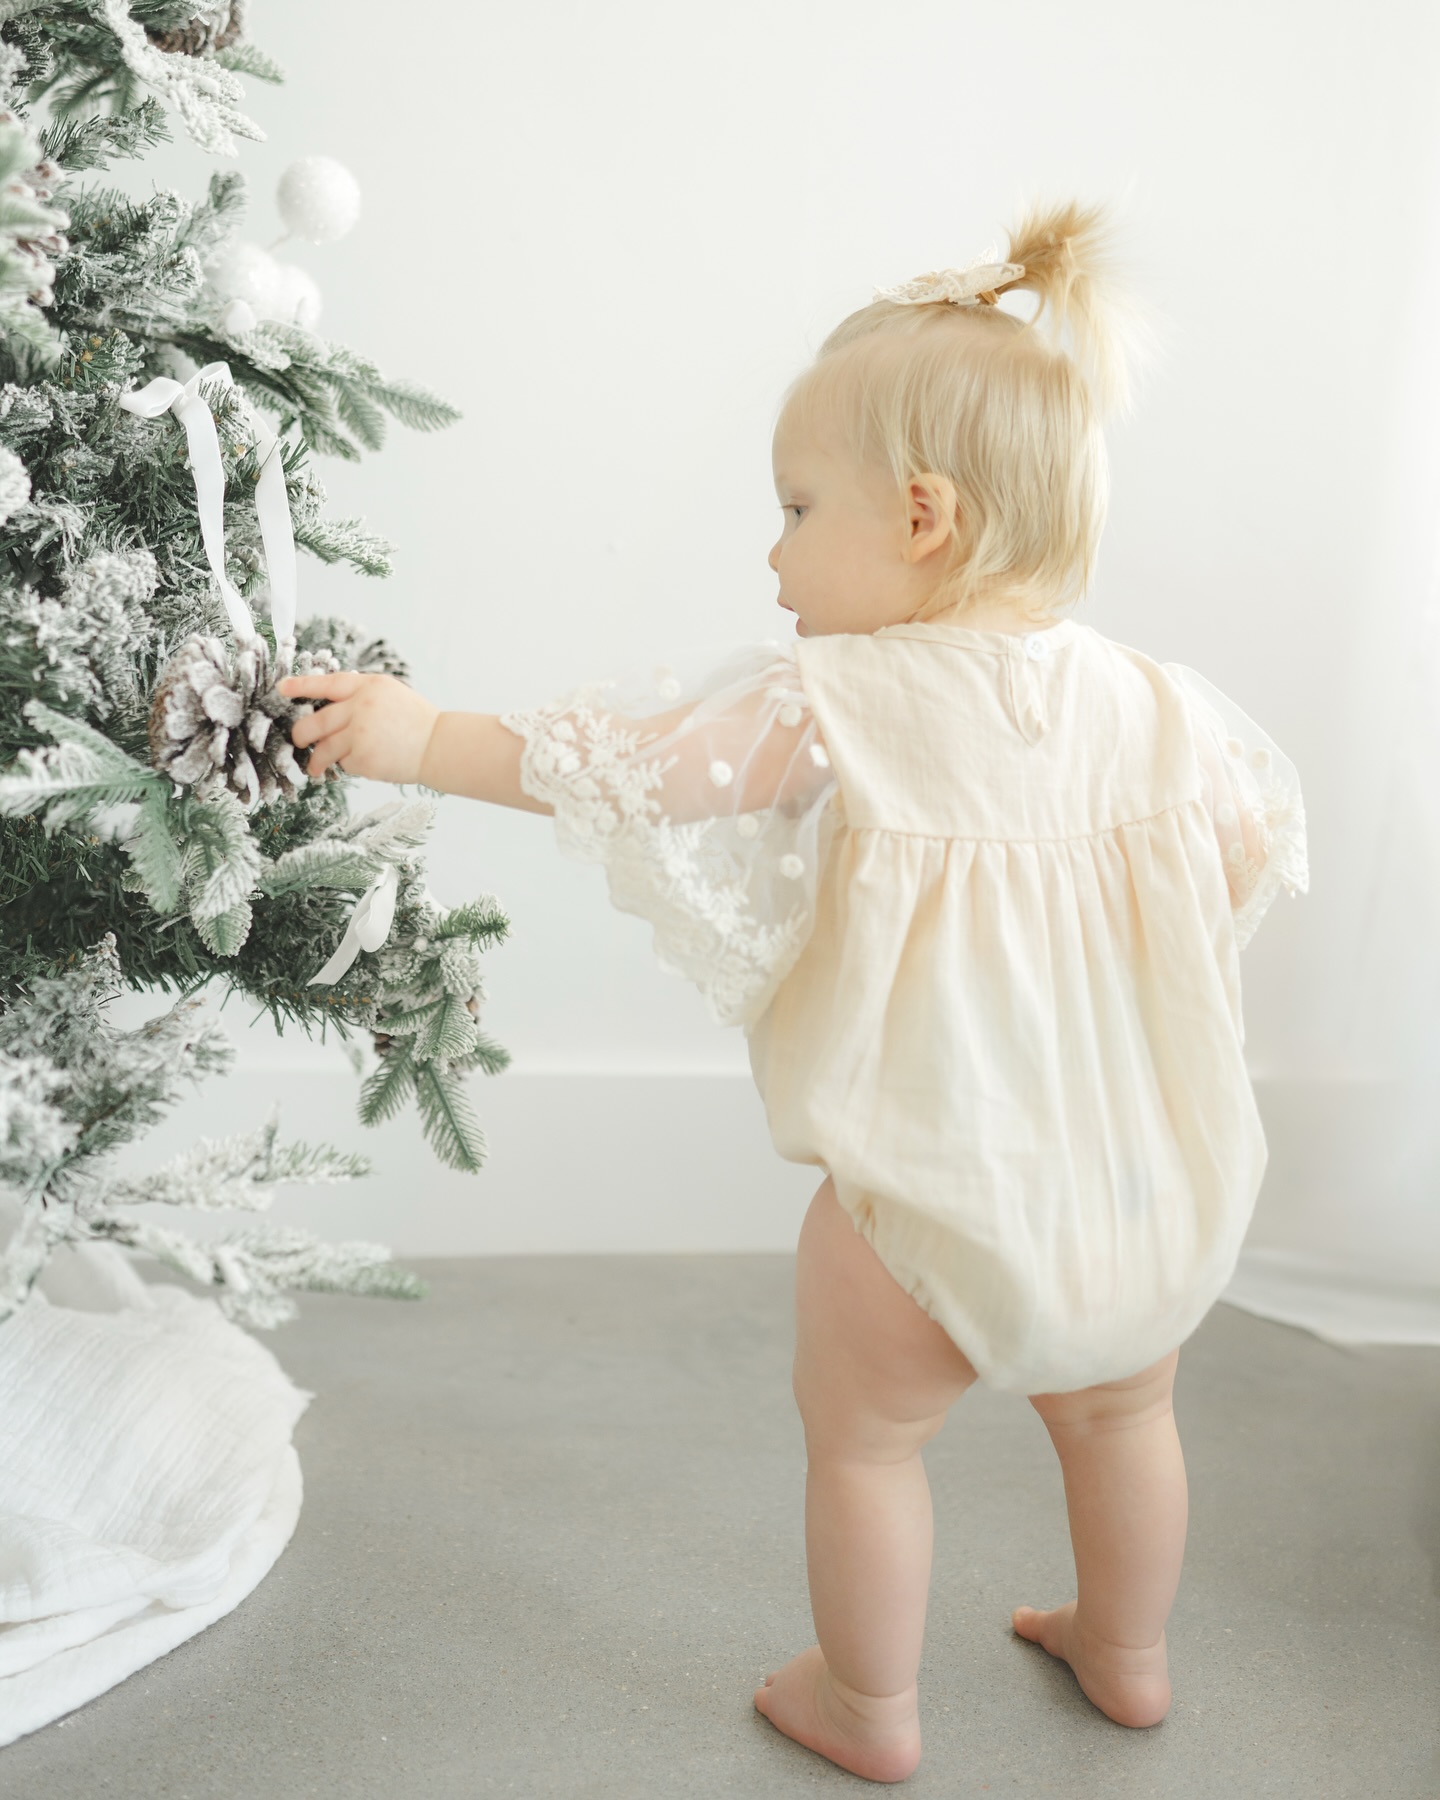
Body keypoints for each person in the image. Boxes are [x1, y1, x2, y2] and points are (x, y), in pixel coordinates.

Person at [280, 200, 1307, 1784]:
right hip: (1141, 1185)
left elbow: (623, 769)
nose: (770, 555)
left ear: (919, 516)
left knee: (871, 1442)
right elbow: (1241, 857)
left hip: (922, 1199)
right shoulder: (1164, 709)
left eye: (794, 508)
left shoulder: (833, 701)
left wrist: (421, 736)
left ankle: (867, 1706)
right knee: (1122, 1424)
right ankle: (1128, 1653)